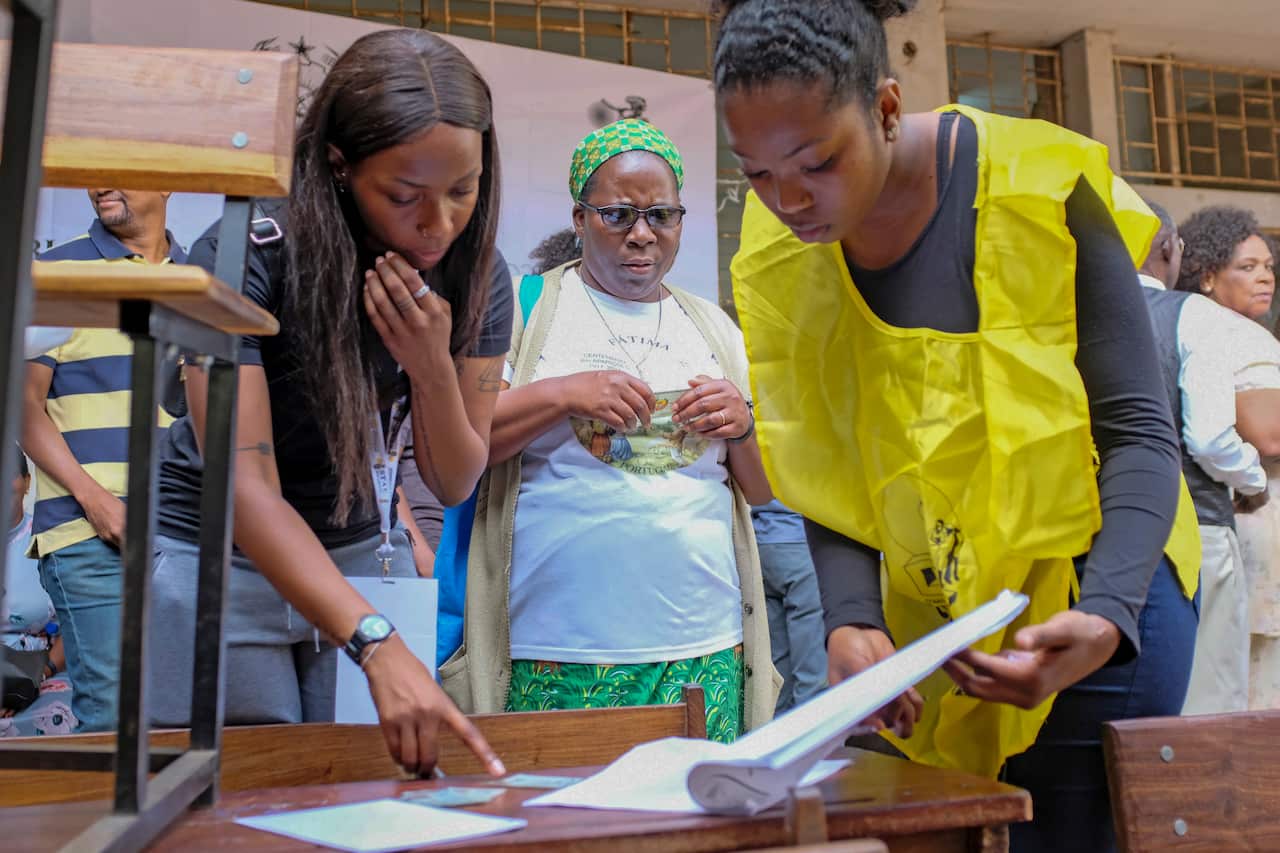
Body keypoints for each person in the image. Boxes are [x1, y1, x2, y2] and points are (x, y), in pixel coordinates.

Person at [714, 1, 1201, 849]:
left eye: (815, 162)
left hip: (1094, 587)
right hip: (937, 609)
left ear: (889, 108)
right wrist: (852, 617)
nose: (786, 200)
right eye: (754, 172)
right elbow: (827, 464)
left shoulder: (1036, 187)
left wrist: (1109, 614)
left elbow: (1138, 432)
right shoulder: (781, 249)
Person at [149, 29, 511, 777]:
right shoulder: (244, 250)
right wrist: (374, 640)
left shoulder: (479, 272)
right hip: (217, 556)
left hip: (353, 554)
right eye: (405, 196)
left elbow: (455, 480)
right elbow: (244, 487)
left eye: (462, 191)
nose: (438, 223)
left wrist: (431, 369)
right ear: (340, 166)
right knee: (241, 795)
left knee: (360, 788)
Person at [438, 118, 778, 743]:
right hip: (557, 645)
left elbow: (756, 492)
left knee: (695, 824)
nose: (642, 235)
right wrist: (565, 393)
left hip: (704, 643)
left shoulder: (711, 327)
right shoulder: (526, 306)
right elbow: (463, 446)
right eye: (618, 215)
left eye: (662, 216)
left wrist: (743, 425)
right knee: (563, 826)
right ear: (579, 218)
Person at [21, 189, 184, 732]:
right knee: (115, 722)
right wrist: (97, 503)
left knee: (180, 722)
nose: (100, 182)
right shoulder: (56, 268)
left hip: (187, 540)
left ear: (166, 180)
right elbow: (20, 404)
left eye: (120, 166)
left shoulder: (202, 274)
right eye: (93, 170)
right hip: (89, 535)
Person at [1138, 201, 1267, 714]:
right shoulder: (1193, 315)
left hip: (1102, 536)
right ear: (1169, 249)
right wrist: (1253, 479)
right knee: (1209, 701)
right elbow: (1212, 439)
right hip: (1197, 530)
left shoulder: (1070, 312)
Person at [1177, 206, 1280, 709]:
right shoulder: (1231, 334)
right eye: (1247, 266)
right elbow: (1269, 436)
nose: (1265, 277)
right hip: (1257, 517)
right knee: (1261, 683)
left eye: (1268, 266)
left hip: (1239, 518)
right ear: (1208, 275)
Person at [2, 447, 76, 737]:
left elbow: (75, 629)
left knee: (69, 716)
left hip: (38, 674)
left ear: (27, 481)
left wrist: (26, 683)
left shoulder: (51, 538)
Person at [752, 499, 827, 712]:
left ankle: (778, 739)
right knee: (813, 673)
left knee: (777, 678)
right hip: (803, 540)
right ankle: (810, 740)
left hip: (760, 543)